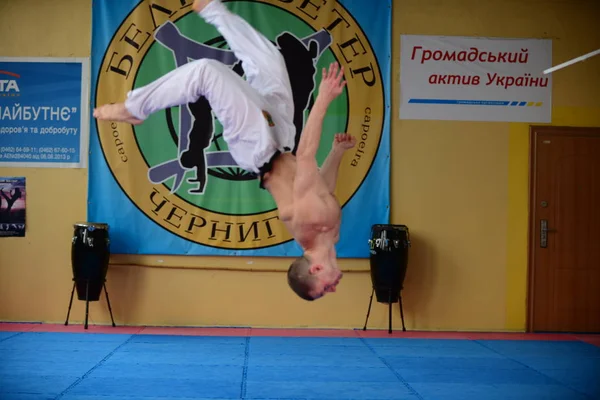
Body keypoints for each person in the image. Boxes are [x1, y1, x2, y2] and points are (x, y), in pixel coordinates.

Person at [93, 0, 355, 301]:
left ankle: (133, 108)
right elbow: (324, 188)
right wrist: (337, 152)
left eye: (325, 289)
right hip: (281, 139)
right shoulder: (330, 235)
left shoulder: (309, 223)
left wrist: (323, 99)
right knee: (269, 62)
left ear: (316, 270)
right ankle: (212, 9)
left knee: (207, 72)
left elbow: (307, 156)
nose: (333, 288)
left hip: (257, 147)